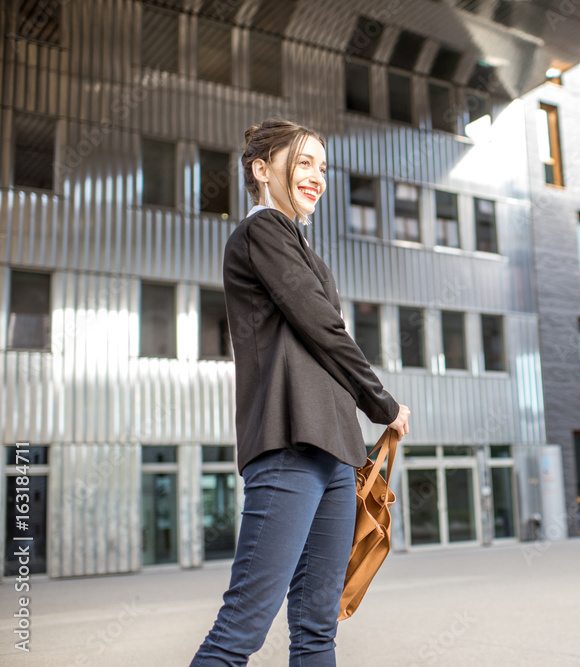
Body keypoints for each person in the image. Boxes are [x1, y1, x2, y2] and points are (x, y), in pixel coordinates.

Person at [190, 118, 410, 667]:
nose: (317, 177)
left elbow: (321, 340)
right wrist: (383, 404)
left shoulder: (299, 243)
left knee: (317, 629)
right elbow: (322, 327)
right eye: (304, 162)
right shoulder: (262, 231)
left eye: (323, 167)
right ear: (262, 170)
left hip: (336, 452)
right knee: (242, 626)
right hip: (290, 443)